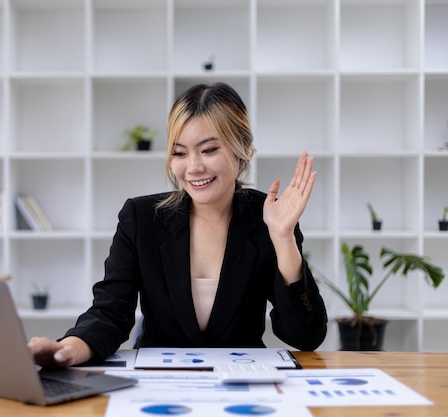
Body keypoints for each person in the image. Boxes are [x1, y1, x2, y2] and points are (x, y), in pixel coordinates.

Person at [30, 82, 328, 367]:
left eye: (209, 150)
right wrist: (66, 350)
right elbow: (110, 313)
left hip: (241, 382)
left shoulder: (269, 218)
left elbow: (305, 337)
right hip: (158, 380)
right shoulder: (142, 218)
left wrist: (283, 237)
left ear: (242, 150)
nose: (194, 167)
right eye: (179, 153)